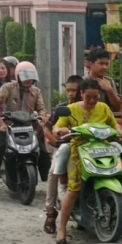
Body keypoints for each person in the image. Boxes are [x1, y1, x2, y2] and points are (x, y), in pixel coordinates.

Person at [52, 78, 122, 244]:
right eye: (88, 97)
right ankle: (61, 229)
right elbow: (57, 127)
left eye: (95, 97)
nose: (92, 101)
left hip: (103, 149)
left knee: (118, 186)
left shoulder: (104, 108)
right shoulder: (70, 109)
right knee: (74, 189)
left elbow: (115, 125)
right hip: (79, 151)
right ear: (81, 94)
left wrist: (121, 132)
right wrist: (60, 130)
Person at [0, 61, 47, 195]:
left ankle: (47, 178)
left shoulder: (36, 91)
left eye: (31, 77)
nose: (28, 80)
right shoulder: (8, 87)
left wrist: (42, 118)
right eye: (25, 76)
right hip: (9, 126)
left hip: (29, 126)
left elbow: (41, 108)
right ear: (18, 76)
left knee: (43, 151)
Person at [41, 75, 82, 233]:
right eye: (68, 90)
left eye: (74, 90)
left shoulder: (90, 107)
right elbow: (48, 127)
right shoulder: (62, 107)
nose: (71, 93)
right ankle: (50, 212)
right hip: (66, 147)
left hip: (86, 148)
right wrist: (55, 142)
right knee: (53, 173)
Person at [84, 47, 122, 111]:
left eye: (106, 64)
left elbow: (118, 108)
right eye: (101, 63)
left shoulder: (109, 81)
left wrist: (109, 90)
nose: (104, 67)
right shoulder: (83, 81)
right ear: (90, 64)